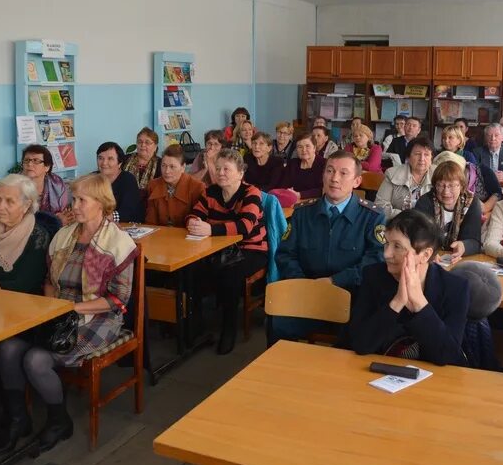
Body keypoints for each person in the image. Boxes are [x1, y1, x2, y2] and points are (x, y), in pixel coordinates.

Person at [0, 174, 138, 454]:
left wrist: (72, 309)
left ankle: (58, 420)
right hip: (60, 311)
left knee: (36, 360)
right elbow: (49, 280)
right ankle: (18, 419)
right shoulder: (64, 235)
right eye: (74, 199)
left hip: (98, 317)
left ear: (101, 204)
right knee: (8, 347)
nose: (75, 205)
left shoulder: (118, 242)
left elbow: (118, 299)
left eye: (81, 200)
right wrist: (53, 308)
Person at [273, 151, 385, 343]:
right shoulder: (302, 213)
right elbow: (285, 255)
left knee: (358, 338)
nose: (334, 178)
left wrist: (335, 281)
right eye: (330, 171)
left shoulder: (372, 217)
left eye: (343, 173)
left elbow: (376, 260)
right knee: (278, 322)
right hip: (306, 292)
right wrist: (305, 284)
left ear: (357, 181)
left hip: (351, 295)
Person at [349, 209, 469, 365]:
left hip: (433, 381)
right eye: (386, 244)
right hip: (376, 373)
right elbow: (360, 344)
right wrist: (397, 303)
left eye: (397, 247)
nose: (386, 254)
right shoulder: (374, 276)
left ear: (425, 255)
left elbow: (447, 356)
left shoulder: (455, 288)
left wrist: (420, 303)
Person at [186, 148, 268, 354]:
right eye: (218, 168)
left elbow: (245, 227)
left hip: (251, 249)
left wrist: (211, 229)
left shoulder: (251, 193)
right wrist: (194, 223)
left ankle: (228, 330)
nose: (221, 173)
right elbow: (193, 215)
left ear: (240, 173)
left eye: (227, 169)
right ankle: (195, 325)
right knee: (190, 271)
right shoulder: (210, 192)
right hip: (218, 248)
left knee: (229, 275)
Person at [414, 161, 482, 265]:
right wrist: (429, 250)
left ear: (462, 186)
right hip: (429, 260)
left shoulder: (472, 203)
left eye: (452, 186)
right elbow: (417, 235)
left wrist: (464, 246)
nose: (446, 192)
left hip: (458, 261)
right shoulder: (425, 202)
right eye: (440, 185)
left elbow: (475, 241)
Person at [145, 144, 206, 227]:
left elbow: (198, 221)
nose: (166, 171)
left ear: (183, 167)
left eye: (172, 167)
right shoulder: (153, 185)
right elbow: (150, 223)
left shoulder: (197, 187)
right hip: (159, 236)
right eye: (164, 166)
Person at [375, 137, 435, 220]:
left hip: (428, 226)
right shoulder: (392, 173)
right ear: (408, 157)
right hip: (398, 224)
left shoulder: (439, 175)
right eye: (417, 154)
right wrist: (408, 217)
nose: (422, 159)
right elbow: (380, 205)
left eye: (426, 154)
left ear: (431, 158)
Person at [435, 151, 502, 222]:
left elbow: (497, 193)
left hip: (487, 214)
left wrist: (485, 208)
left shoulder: (483, 170)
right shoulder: (443, 186)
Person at [20, 144, 73, 224]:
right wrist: (56, 221)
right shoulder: (14, 185)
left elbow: (63, 214)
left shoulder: (57, 184)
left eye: (36, 161)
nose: (30, 164)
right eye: (27, 160)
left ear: (47, 167)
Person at [96, 142, 144, 222]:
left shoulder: (128, 179)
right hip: (100, 224)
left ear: (119, 163)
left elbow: (128, 212)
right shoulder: (92, 178)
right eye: (100, 158)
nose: (104, 163)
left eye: (110, 159)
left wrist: (106, 217)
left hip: (127, 226)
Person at [272, 133, 325, 204]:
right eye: (300, 147)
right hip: (294, 203)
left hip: (318, 203)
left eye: (307, 146)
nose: (304, 150)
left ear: (314, 148)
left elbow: (324, 189)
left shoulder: (324, 164)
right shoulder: (292, 164)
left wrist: (300, 195)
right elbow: (283, 186)